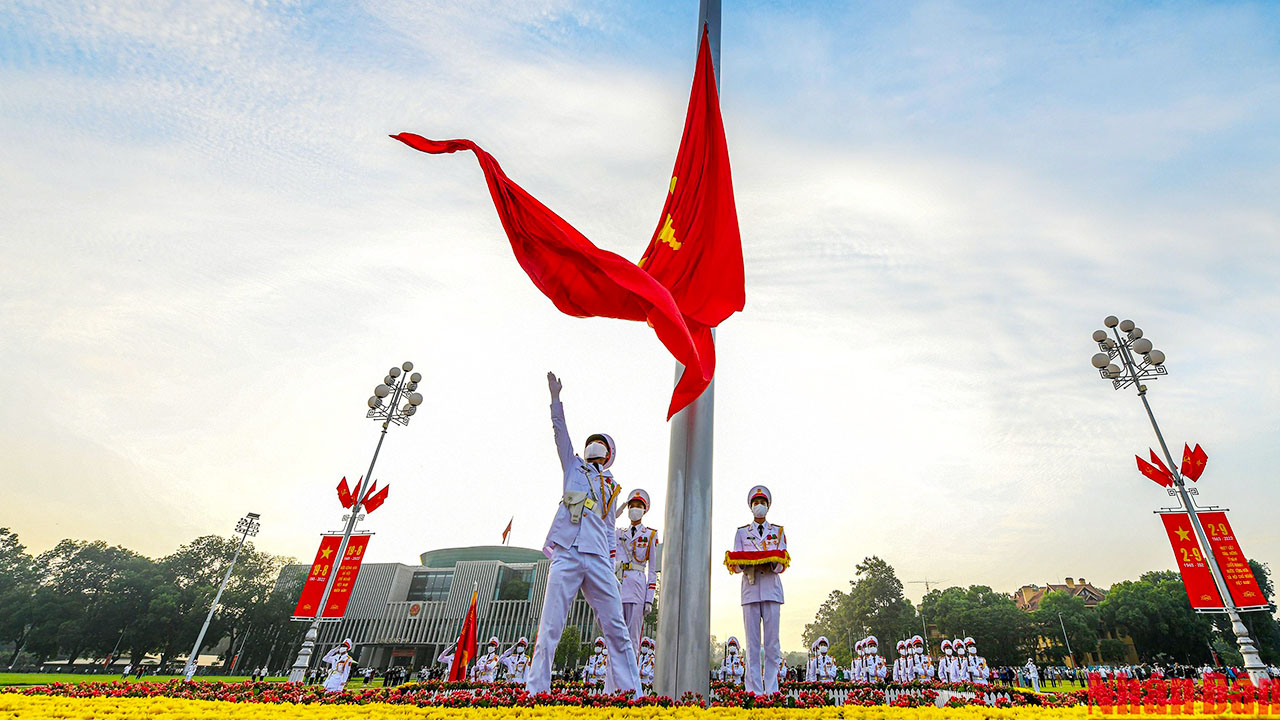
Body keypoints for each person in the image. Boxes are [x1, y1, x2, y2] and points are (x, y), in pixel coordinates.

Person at [526, 372, 640, 696]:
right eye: (592, 441)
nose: (594, 445)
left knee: (616, 627)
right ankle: (536, 691)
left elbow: (607, 528)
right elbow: (560, 432)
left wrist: (612, 564)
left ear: (607, 454)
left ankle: (632, 693)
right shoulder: (572, 466)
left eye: (600, 443)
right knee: (550, 626)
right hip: (567, 554)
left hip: (599, 559)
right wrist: (555, 399)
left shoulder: (611, 486)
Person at [726, 485, 788, 696]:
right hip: (750, 590)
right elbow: (735, 564)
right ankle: (753, 691)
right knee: (752, 645)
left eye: (762, 503)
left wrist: (769, 563)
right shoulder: (742, 532)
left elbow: (783, 563)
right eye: (755, 503)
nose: (759, 506)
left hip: (771, 589)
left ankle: (771, 690)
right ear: (751, 507)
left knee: (772, 644)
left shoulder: (777, 531)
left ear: (768, 506)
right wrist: (747, 564)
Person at [615, 488, 659, 659]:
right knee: (616, 636)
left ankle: (630, 683)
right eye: (631, 505)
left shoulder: (650, 535)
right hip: (619, 586)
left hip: (638, 589)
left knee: (633, 639)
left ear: (644, 509)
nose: (634, 508)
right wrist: (618, 509)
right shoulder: (619, 534)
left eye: (638, 506)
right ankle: (613, 682)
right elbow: (604, 524)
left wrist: (649, 599)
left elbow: (653, 569)